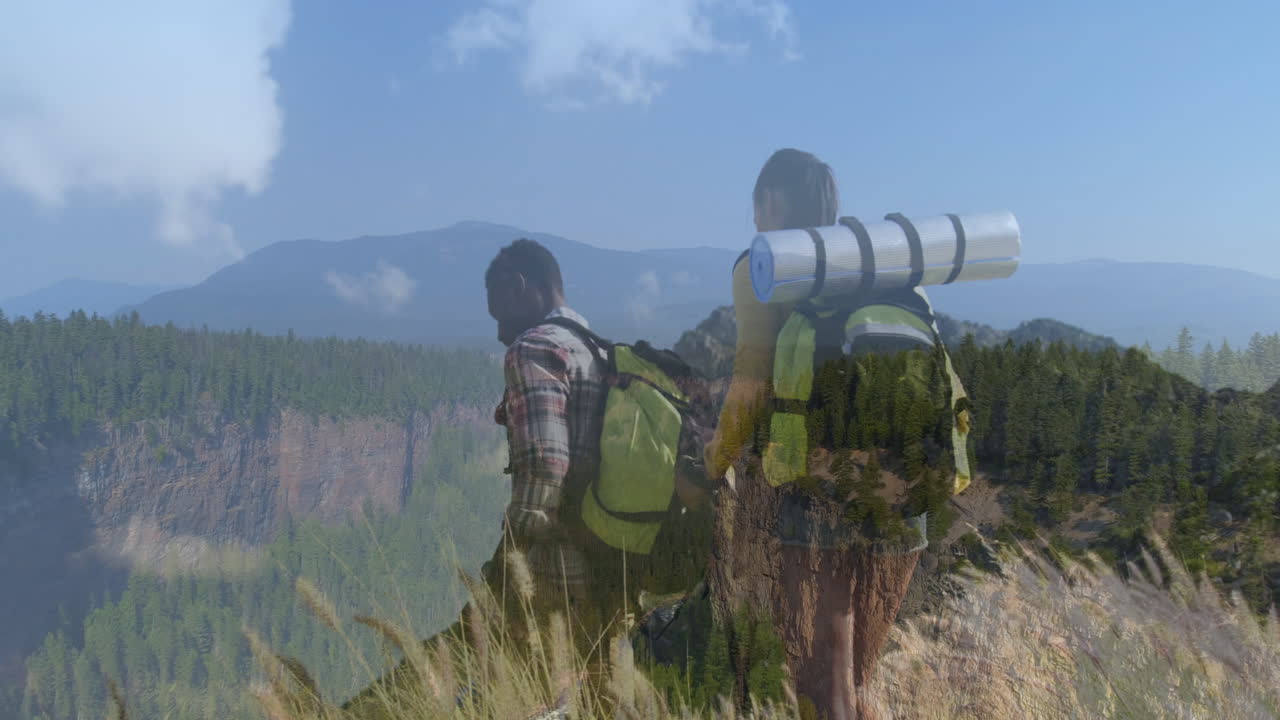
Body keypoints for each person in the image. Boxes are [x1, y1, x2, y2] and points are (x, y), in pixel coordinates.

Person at [705, 148, 966, 720]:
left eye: (756, 208)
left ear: (770, 202)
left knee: (823, 693)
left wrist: (711, 465)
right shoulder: (888, 267)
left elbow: (750, 385)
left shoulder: (766, 266)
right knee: (858, 684)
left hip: (818, 495)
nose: (754, 222)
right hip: (906, 490)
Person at [344, 238, 645, 716]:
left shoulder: (534, 349)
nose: (501, 332)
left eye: (499, 315)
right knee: (575, 693)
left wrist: (515, 545)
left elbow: (546, 464)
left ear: (520, 287)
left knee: (459, 661)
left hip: (548, 569)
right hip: (606, 562)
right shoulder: (594, 345)